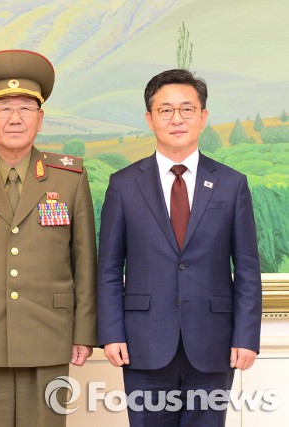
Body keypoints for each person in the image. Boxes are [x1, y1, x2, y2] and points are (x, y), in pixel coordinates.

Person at [0, 50, 98, 427]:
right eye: (4, 108)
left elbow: (85, 262)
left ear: (40, 120)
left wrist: (84, 332)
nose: (15, 118)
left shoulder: (69, 178)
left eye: (26, 108)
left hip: (49, 336)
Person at [97, 69, 262, 426]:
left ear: (203, 116)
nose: (177, 119)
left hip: (214, 345)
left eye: (187, 109)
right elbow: (109, 268)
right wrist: (111, 333)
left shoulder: (231, 184)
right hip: (143, 344)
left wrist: (246, 337)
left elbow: (248, 269)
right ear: (150, 118)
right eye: (166, 110)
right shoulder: (123, 185)